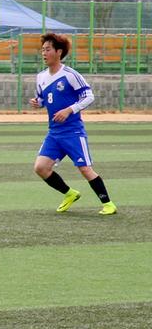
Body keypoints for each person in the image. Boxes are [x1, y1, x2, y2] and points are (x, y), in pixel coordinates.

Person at [29, 32, 116, 215]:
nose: (44, 53)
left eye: (48, 49)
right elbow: (44, 100)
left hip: (73, 132)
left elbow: (89, 96)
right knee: (40, 168)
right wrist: (38, 103)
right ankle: (70, 194)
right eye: (42, 50)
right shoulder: (41, 77)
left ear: (59, 52)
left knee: (85, 169)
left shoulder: (70, 75)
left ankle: (108, 204)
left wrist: (69, 110)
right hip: (54, 133)